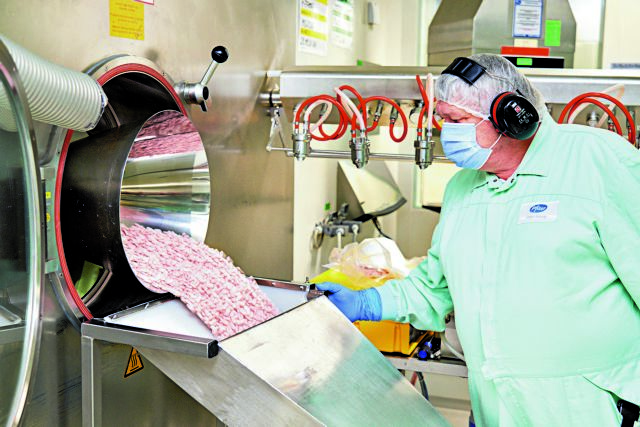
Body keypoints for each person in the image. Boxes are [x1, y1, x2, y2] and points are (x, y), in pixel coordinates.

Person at [317, 54, 640, 426]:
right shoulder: (463, 188)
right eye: (442, 120)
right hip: (496, 411)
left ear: (511, 117)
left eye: (457, 121)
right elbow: (433, 287)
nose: (446, 134)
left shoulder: (598, 162)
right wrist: (367, 302)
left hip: (592, 411)